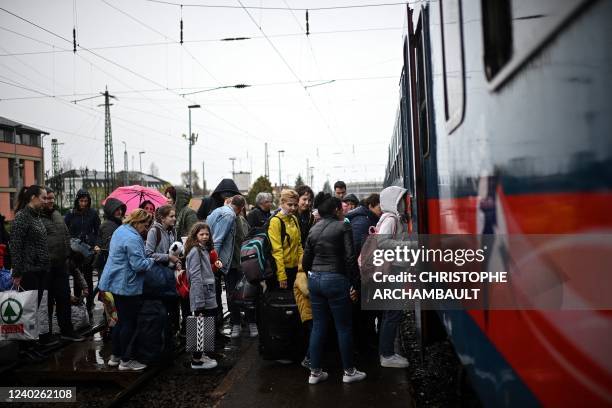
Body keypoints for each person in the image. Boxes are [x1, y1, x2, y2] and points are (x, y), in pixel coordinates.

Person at [302, 192, 366, 384]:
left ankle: (314, 373)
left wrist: (312, 275)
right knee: (344, 327)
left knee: (319, 326)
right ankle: (349, 372)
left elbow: (306, 261)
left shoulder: (314, 229)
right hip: (336, 279)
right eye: (341, 208)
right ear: (337, 210)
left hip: (315, 280)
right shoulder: (343, 225)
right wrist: (354, 283)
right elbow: (349, 257)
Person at [98, 209, 155, 371]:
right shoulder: (133, 238)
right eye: (145, 225)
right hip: (126, 285)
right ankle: (126, 360)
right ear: (137, 222)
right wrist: (151, 261)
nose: (146, 229)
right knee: (129, 322)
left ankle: (115, 357)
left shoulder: (120, 231)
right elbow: (138, 265)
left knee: (119, 322)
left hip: (112, 282)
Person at [9, 185, 54, 345]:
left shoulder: (36, 217)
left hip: (40, 270)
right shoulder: (22, 217)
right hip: (29, 271)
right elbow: (15, 245)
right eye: (43, 198)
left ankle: (32, 345)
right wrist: (18, 273)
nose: (45, 201)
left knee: (33, 311)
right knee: (27, 311)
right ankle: (25, 348)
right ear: (33, 198)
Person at [40, 187, 85, 342]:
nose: (50, 201)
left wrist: (70, 253)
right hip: (45, 267)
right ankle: (46, 334)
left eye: (52, 198)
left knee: (64, 298)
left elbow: (66, 235)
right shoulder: (37, 218)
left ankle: (67, 329)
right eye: (46, 198)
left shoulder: (57, 215)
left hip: (61, 264)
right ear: (40, 199)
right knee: (46, 302)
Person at [377, 186, 410, 369]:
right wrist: (409, 244)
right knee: (393, 313)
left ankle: (387, 351)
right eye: (401, 200)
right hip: (393, 271)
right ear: (393, 201)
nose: (405, 203)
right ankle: (387, 355)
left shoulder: (390, 218)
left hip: (394, 270)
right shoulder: (390, 219)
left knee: (391, 313)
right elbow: (382, 243)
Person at [207, 195, 246, 335]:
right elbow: (218, 241)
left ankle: (214, 332)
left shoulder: (217, 211)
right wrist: (214, 262)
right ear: (241, 208)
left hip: (215, 260)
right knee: (232, 292)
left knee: (213, 296)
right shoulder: (230, 216)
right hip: (223, 261)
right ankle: (233, 323)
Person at [184, 222, 221, 369]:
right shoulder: (195, 251)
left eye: (207, 234)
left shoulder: (203, 249)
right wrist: (198, 300)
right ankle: (197, 360)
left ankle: (201, 355)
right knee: (200, 325)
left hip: (207, 293)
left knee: (206, 325)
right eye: (201, 234)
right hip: (202, 295)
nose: (205, 237)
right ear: (195, 235)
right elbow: (195, 276)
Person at [145, 205, 180, 341]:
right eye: (171, 216)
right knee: (163, 306)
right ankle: (162, 337)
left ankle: (172, 335)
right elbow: (148, 254)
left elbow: (174, 251)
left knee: (173, 305)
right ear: (162, 218)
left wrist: (176, 260)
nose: (174, 219)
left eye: (174, 216)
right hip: (158, 275)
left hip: (170, 273)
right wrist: (168, 257)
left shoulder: (173, 231)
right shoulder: (154, 231)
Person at [64, 189, 100, 315]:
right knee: (77, 277)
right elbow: (65, 231)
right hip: (75, 252)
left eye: (86, 201)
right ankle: (79, 304)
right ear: (77, 201)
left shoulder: (93, 214)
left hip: (89, 250)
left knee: (88, 278)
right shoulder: (71, 214)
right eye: (81, 201)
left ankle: (89, 304)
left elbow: (98, 231)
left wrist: (95, 244)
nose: (83, 203)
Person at [228, 205, 257, 338]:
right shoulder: (223, 220)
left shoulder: (242, 221)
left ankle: (251, 322)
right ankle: (236, 323)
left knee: (248, 293)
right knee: (232, 295)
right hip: (230, 265)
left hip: (244, 263)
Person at [269, 189, 303, 291]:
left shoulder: (294, 219)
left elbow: (299, 245)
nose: (293, 208)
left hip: (296, 269)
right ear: (282, 203)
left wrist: (302, 268)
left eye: (295, 205)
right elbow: (277, 251)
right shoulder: (275, 221)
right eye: (290, 205)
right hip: (283, 270)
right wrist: (282, 275)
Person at [95, 198, 127, 277]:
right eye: (116, 209)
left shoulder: (117, 223)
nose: (120, 212)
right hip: (108, 265)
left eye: (120, 209)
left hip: (110, 264)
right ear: (111, 210)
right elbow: (108, 248)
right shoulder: (108, 225)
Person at [345, 193, 381, 257]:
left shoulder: (369, 218)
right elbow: (357, 245)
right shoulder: (362, 221)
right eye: (379, 208)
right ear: (370, 206)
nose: (381, 211)